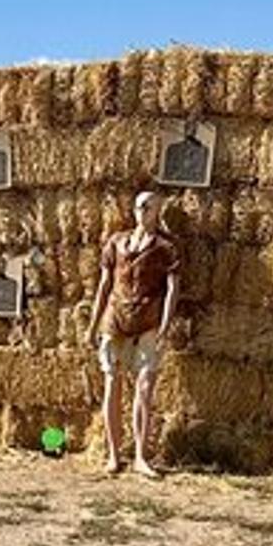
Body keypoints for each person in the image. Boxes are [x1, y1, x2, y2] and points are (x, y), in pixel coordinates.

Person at [85, 189, 181, 478]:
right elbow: (104, 285)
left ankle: (140, 456)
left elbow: (173, 290)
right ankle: (114, 455)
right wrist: (92, 325)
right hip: (115, 319)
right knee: (112, 384)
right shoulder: (116, 242)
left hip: (148, 320)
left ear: (158, 211)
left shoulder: (167, 247)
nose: (142, 211)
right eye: (139, 206)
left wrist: (165, 325)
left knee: (145, 387)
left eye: (148, 207)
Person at [160, 119, 211, 187]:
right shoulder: (173, 148)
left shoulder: (203, 151)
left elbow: (199, 176)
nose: (190, 130)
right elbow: (169, 174)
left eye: (193, 127)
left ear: (196, 130)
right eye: (188, 127)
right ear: (184, 129)